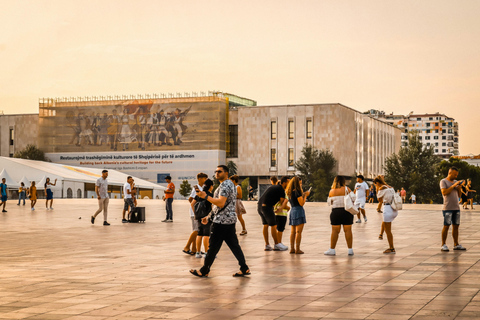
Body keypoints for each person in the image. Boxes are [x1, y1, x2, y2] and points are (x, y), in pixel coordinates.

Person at [189, 165, 250, 278]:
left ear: (226, 173)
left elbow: (221, 203)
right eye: (216, 171)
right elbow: (221, 205)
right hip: (228, 220)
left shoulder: (226, 185)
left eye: (220, 171)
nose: (217, 173)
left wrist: (205, 196)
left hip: (221, 222)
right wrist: (208, 216)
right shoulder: (228, 184)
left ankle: (204, 270)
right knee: (234, 245)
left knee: (212, 247)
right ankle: (244, 268)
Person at [257, 176, 290, 251]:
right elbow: (282, 203)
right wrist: (288, 208)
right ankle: (277, 244)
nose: (289, 184)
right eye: (289, 182)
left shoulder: (274, 187)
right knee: (273, 225)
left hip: (259, 206)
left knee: (266, 225)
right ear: (285, 182)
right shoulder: (281, 189)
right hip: (267, 207)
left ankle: (267, 245)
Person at [325, 176, 354, 256]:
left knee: (335, 231)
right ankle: (350, 250)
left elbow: (329, 203)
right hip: (347, 211)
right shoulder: (347, 189)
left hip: (336, 212)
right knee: (348, 231)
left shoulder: (332, 191)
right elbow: (354, 198)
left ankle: (332, 249)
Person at [440, 167, 467, 252]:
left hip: (456, 208)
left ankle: (456, 244)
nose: (456, 176)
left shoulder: (455, 182)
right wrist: (454, 185)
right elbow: (444, 192)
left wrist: (459, 188)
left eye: (457, 175)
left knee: (456, 226)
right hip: (447, 208)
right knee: (446, 225)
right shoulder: (443, 181)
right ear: (450, 173)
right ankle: (443, 244)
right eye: (455, 174)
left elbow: (459, 196)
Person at [183, 172, 208, 255]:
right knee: (196, 230)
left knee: (197, 230)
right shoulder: (196, 188)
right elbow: (190, 199)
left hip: (197, 212)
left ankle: (194, 249)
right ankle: (187, 247)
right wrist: (196, 211)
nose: (205, 180)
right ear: (200, 179)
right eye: (204, 179)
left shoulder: (201, 188)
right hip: (195, 213)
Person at [286, 177, 310, 254]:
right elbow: (301, 203)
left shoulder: (289, 192)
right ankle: (297, 249)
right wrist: (306, 195)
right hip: (299, 211)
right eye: (300, 183)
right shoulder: (297, 192)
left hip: (292, 211)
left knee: (292, 232)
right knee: (298, 232)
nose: (301, 184)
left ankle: (292, 248)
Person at [191, 179, 214, 258]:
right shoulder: (209, 195)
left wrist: (196, 213)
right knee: (206, 234)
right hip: (206, 217)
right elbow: (212, 206)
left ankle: (198, 253)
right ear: (210, 186)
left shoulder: (199, 194)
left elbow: (192, 203)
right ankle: (206, 252)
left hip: (199, 217)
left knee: (199, 234)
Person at [375, 176, 398, 254]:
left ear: (377, 183)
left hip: (387, 209)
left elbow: (379, 199)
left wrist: (377, 189)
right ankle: (381, 234)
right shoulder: (390, 187)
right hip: (394, 209)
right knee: (385, 224)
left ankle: (391, 248)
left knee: (388, 231)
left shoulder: (382, 188)